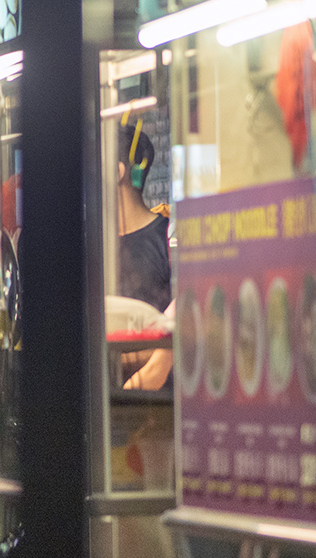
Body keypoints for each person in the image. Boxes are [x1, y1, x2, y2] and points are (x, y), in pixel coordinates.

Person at [117, 122, 173, 391]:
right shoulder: (94, 248)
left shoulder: (168, 240)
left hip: (158, 409)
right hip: (105, 405)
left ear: (118, 172)